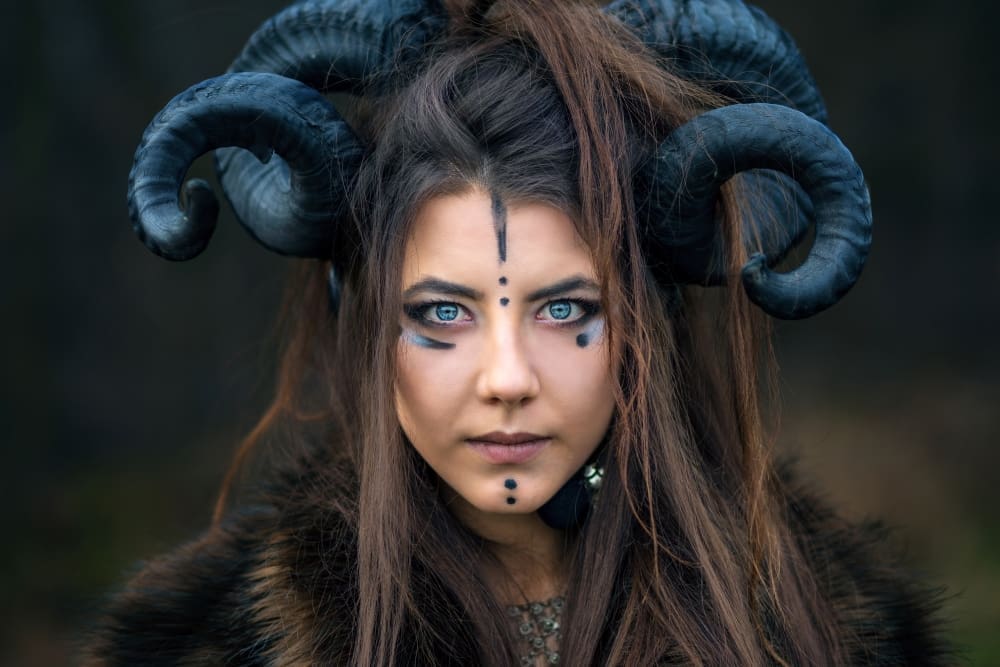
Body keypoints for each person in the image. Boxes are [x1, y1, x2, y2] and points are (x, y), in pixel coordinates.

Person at [86, 0, 949, 664]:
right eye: (442, 313)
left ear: (644, 326)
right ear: (370, 324)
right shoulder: (206, 645)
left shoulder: (832, 631)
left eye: (565, 308)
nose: (507, 377)